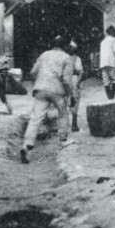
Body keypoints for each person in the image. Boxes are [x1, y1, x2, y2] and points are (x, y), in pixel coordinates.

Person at [20, 35, 74, 163]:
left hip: (41, 89)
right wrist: (70, 94)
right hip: (57, 91)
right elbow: (66, 80)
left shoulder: (44, 55)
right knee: (63, 113)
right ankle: (63, 140)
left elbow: (33, 72)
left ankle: (26, 146)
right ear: (65, 46)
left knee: (35, 118)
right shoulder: (67, 58)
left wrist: (40, 81)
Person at [100, 26, 115, 99]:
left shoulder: (103, 42)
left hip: (103, 64)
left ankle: (109, 97)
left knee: (106, 81)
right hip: (112, 63)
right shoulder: (114, 40)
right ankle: (111, 96)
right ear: (112, 32)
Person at [68, 40, 85, 131]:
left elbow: (81, 72)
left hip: (73, 79)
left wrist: (77, 82)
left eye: (71, 48)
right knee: (71, 103)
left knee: (74, 102)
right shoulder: (66, 58)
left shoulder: (76, 58)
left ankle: (74, 124)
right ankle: (71, 125)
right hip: (68, 80)